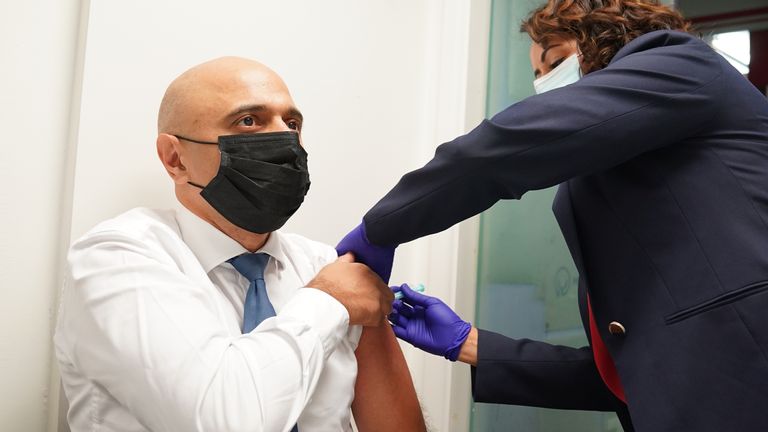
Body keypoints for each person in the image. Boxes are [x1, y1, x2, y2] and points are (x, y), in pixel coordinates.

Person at [336, 0, 768, 431]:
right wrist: (469, 343)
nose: (544, 85)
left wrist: (383, 227)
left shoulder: (682, 64)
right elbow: (634, 374)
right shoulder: (606, 183)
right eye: (537, 75)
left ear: (610, 38)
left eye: (555, 61)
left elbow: (502, 152)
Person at [54, 57, 425, 432]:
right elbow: (223, 420)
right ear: (175, 158)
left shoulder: (323, 264)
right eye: (249, 121)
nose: (285, 142)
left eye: (292, 124)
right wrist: (328, 302)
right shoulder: (118, 257)